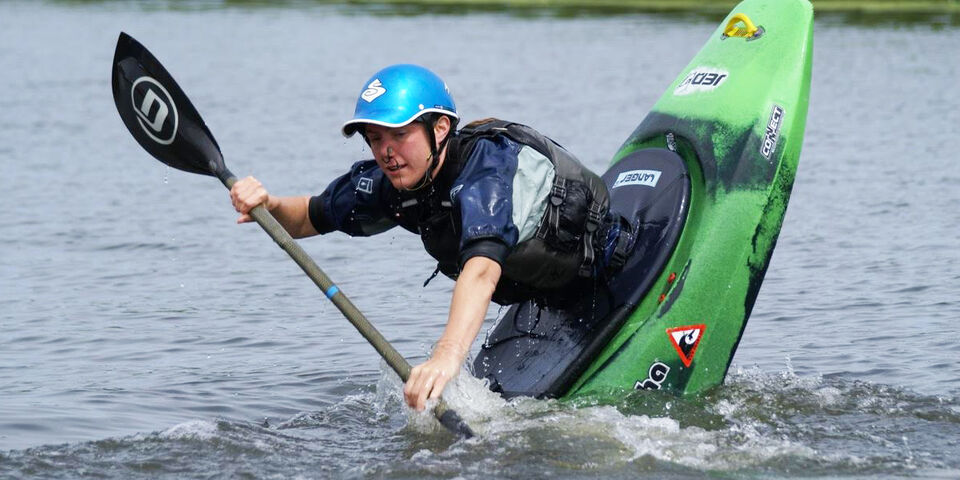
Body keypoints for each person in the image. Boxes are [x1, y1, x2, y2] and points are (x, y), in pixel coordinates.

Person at [229, 64, 633, 411]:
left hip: (614, 267)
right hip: (546, 295)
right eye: (375, 138)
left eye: (399, 135)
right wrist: (269, 204)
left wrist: (446, 357)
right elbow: (309, 217)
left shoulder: (487, 173)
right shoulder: (392, 183)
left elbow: (481, 270)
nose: (386, 152)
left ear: (440, 129)